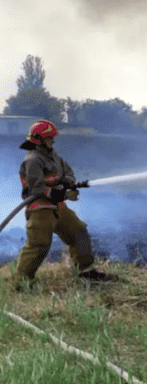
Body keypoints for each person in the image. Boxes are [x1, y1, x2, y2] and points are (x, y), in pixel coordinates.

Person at [14, 120, 114, 289]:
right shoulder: (32, 160)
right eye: (50, 138)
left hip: (59, 208)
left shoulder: (54, 156)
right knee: (39, 245)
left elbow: (68, 172)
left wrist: (67, 184)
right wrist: (62, 193)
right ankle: (22, 283)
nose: (53, 140)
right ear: (39, 139)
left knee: (79, 232)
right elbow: (37, 190)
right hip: (40, 209)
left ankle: (85, 271)